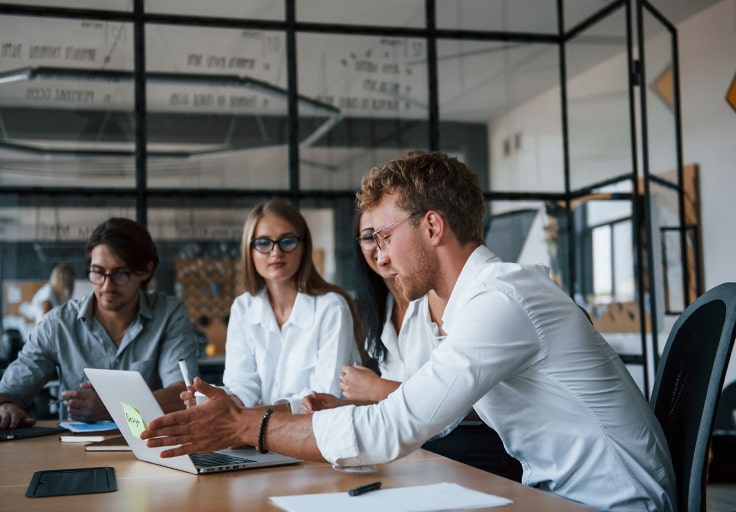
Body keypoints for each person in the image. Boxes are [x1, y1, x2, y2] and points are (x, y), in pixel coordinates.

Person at [142, 152, 676, 511]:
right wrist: (350, 416)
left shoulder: (501, 299)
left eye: (382, 235)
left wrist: (241, 425)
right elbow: (419, 413)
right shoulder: (474, 303)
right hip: (558, 496)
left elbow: (392, 426)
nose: (377, 254)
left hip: (610, 503)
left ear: (433, 226)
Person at [302, 208, 522, 480]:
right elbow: (398, 411)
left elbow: (474, 401)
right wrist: (349, 408)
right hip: (420, 451)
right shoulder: (381, 310)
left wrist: (377, 389)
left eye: (388, 236)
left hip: (468, 448)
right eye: (371, 237)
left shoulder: (448, 299)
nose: (382, 252)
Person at [0, 217, 199, 428]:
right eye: (98, 272)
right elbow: (1, 395)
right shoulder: (58, 324)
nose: (107, 286)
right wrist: (4, 407)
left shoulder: (169, 314)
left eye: (121, 274)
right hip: (75, 452)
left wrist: (112, 407)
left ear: (145, 271)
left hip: (154, 445)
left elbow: (184, 394)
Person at [187, 199, 362, 415]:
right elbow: (242, 384)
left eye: (287, 241)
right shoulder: (243, 308)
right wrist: (219, 402)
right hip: (257, 437)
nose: (276, 252)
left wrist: (244, 417)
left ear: (304, 246)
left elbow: (325, 398)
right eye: (263, 243)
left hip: (317, 436)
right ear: (249, 250)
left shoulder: (331, 307)